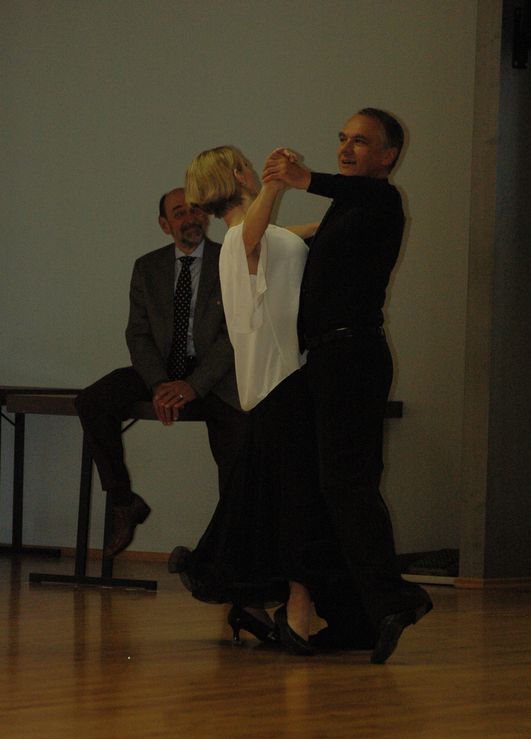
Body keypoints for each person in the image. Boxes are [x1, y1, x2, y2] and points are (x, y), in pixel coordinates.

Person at [262, 108, 433, 664]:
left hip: (353, 357)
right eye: (341, 138)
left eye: (360, 141)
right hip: (326, 359)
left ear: (388, 156)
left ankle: (394, 599)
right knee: (322, 487)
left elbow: (351, 192)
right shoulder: (345, 211)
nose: (345, 148)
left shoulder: (383, 200)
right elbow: (292, 244)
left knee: (347, 485)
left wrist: (302, 179)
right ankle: (355, 617)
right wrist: (252, 202)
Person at [169, 146, 347, 655]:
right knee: (297, 502)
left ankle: (281, 606)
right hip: (279, 384)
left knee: (280, 502)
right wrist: (275, 183)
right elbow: (255, 236)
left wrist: (346, 212)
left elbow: (287, 236)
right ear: (238, 174)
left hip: (282, 383)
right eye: (246, 165)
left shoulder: (263, 237)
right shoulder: (237, 239)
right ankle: (296, 610)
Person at [75, 188, 249, 558]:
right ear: (164, 225)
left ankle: (231, 550)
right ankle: (124, 501)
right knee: (92, 401)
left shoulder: (230, 260)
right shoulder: (147, 267)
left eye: (196, 210)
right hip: (160, 370)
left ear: (207, 215)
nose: (190, 218)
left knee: (240, 444)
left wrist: (193, 385)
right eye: (179, 212)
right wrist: (158, 384)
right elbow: (137, 334)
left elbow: (235, 333)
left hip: (215, 376)